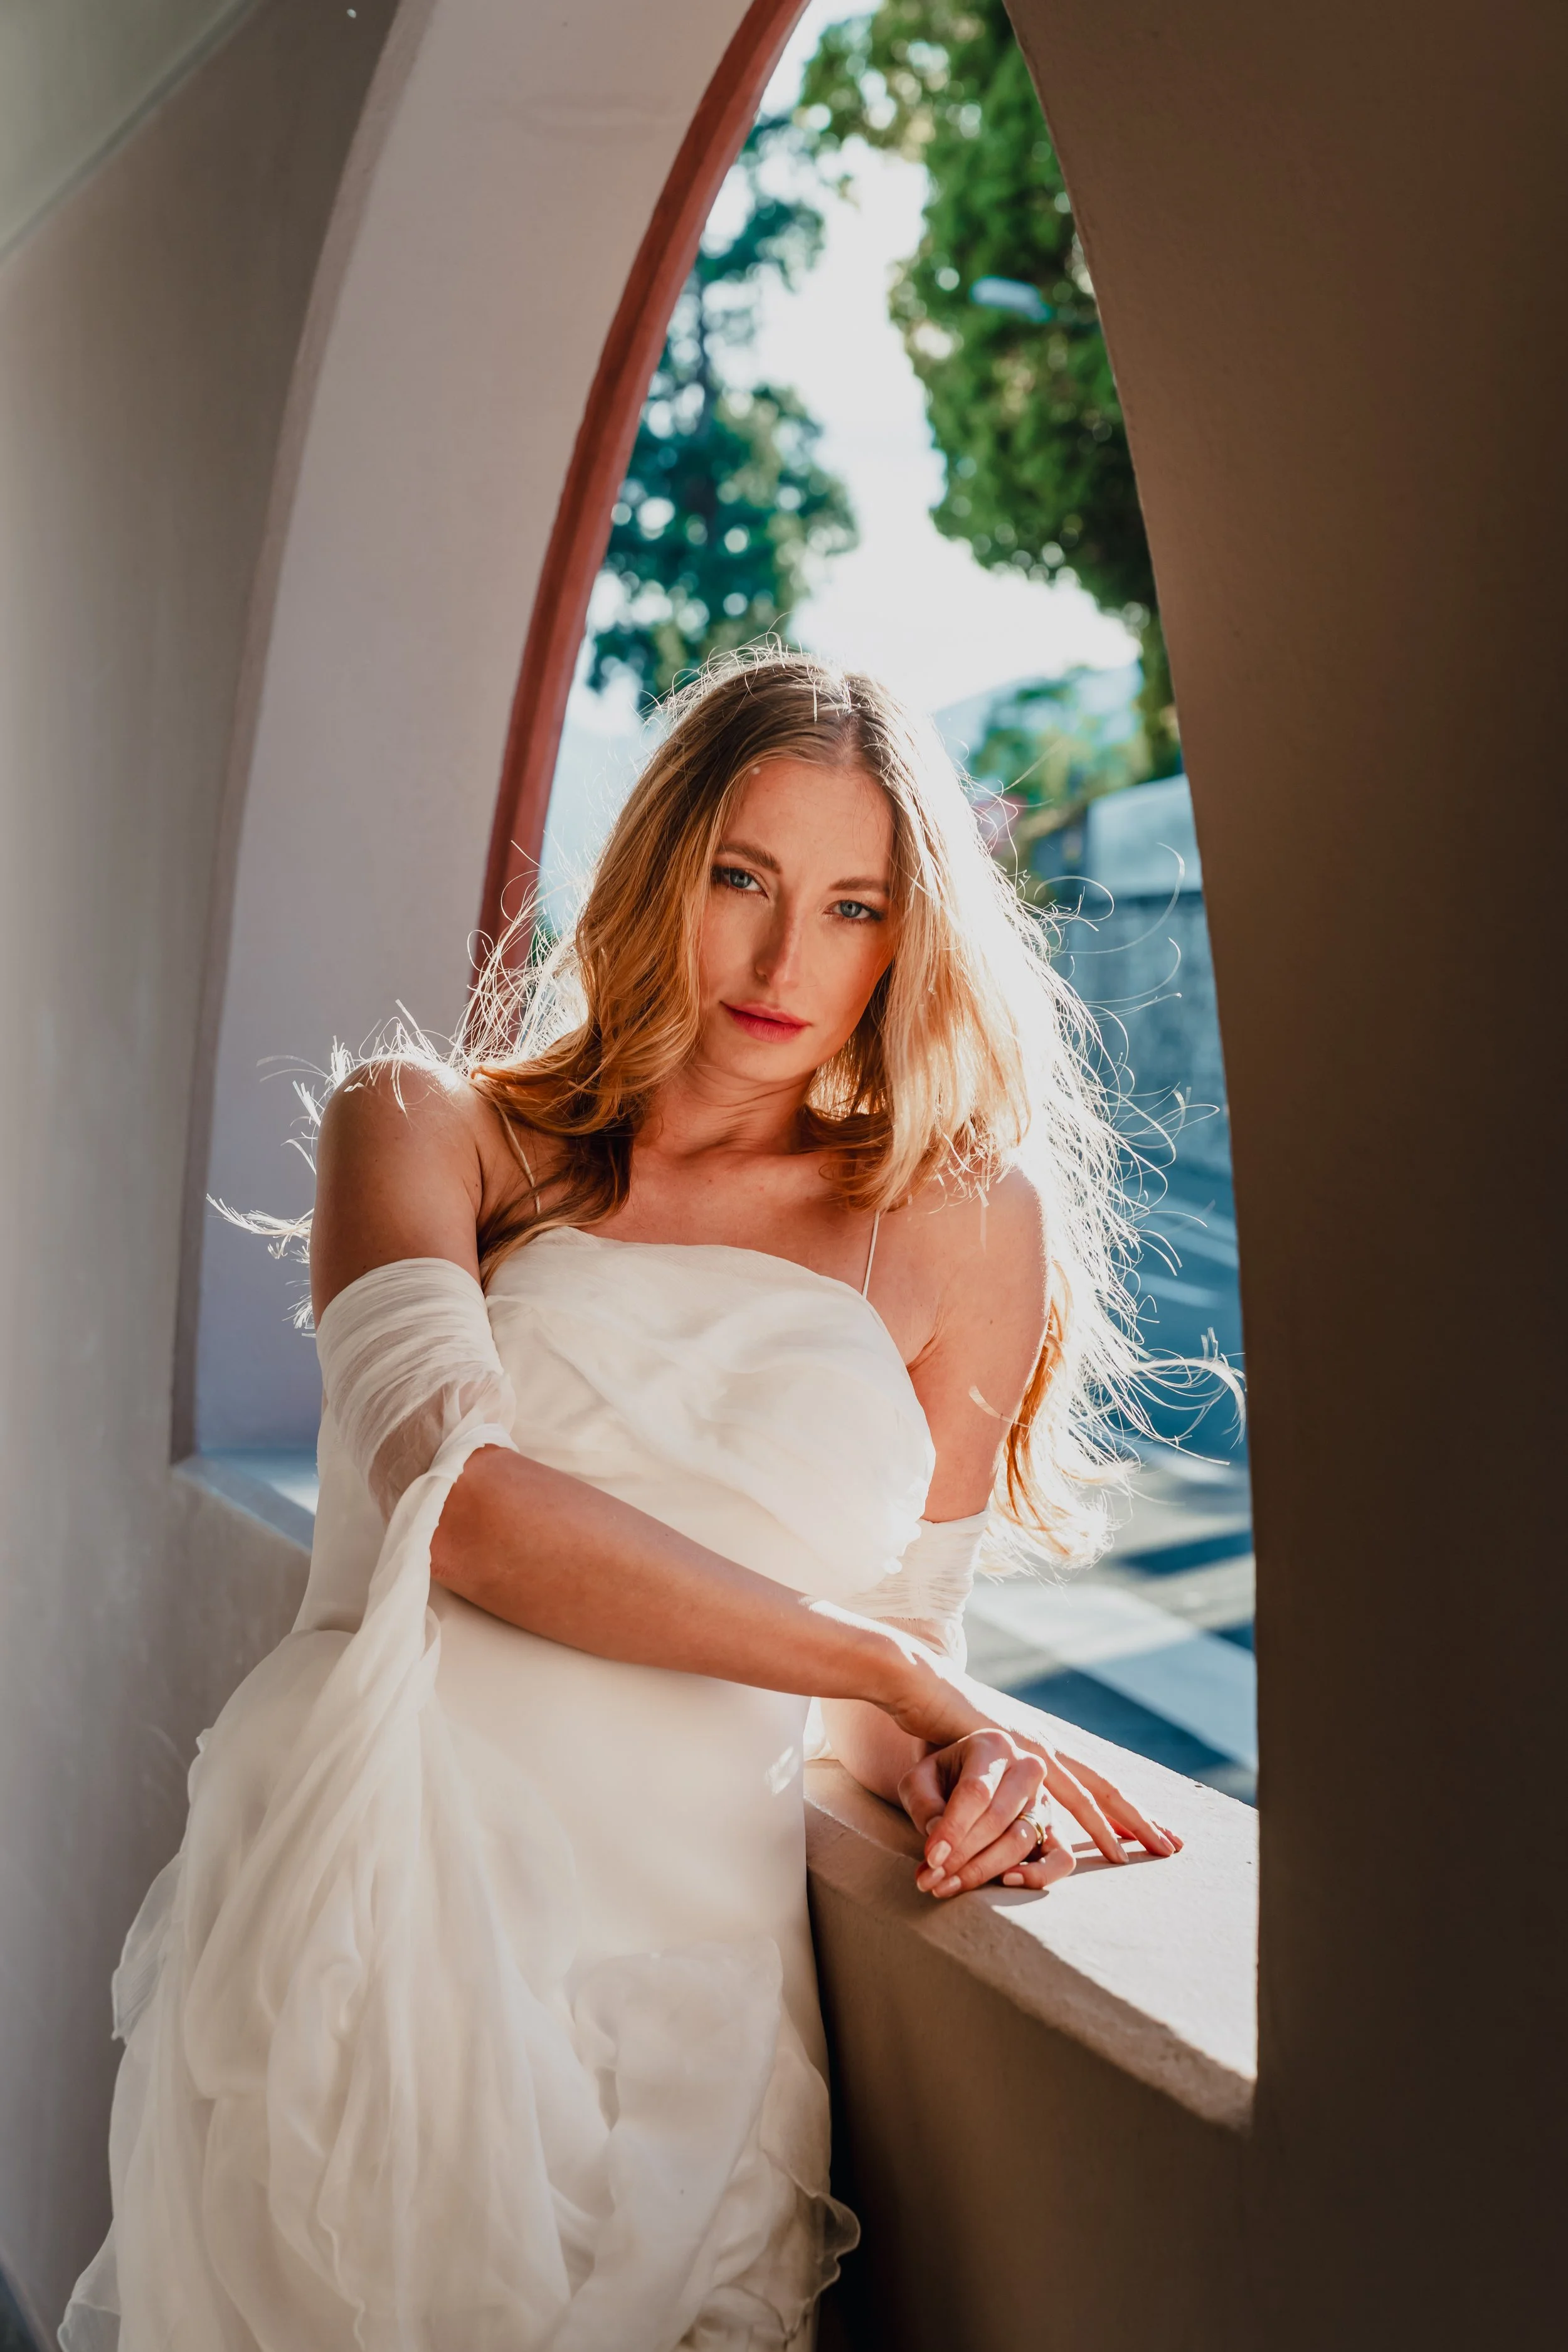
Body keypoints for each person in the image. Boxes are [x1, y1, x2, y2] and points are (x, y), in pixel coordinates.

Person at [64, 652, 1180, 2351]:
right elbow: (474, 1512)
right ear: (657, 861)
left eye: (852, 904)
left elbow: (895, 1642)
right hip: (388, 1938)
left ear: (909, 935)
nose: (782, 956)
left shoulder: (962, 1217)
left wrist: (965, 1745)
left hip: (694, 1995)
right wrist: (893, 1679)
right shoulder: (425, 1128)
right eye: (741, 874)